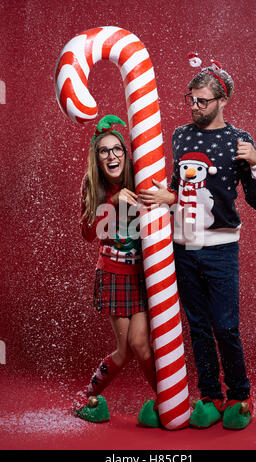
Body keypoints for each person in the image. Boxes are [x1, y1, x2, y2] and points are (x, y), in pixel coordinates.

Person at [139, 62, 256, 430]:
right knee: (197, 325)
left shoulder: (239, 141)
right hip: (183, 246)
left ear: (222, 100)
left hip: (220, 248)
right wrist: (167, 200)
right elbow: (174, 187)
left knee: (225, 326)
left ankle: (240, 397)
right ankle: (210, 394)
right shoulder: (181, 135)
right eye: (190, 100)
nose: (194, 107)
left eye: (202, 101)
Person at [73, 115, 158, 426]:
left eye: (117, 150)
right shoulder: (92, 184)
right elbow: (87, 233)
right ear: (98, 159)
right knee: (126, 349)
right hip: (114, 274)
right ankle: (86, 394)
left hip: (144, 274)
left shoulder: (140, 175)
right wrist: (112, 205)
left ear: (126, 152)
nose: (112, 156)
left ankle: (169, 401)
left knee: (141, 344)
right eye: (104, 151)